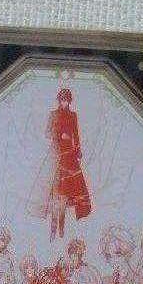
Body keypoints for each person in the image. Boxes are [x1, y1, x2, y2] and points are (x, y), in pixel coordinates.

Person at [34, 86, 93, 242]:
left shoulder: (73, 115)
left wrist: (78, 149)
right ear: (59, 100)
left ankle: (62, 229)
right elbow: (47, 132)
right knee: (54, 188)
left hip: (69, 154)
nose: (64, 103)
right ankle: (53, 228)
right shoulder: (53, 114)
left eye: (66, 100)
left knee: (67, 191)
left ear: (69, 101)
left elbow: (76, 134)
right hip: (56, 152)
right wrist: (59, 135)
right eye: (62, 100)